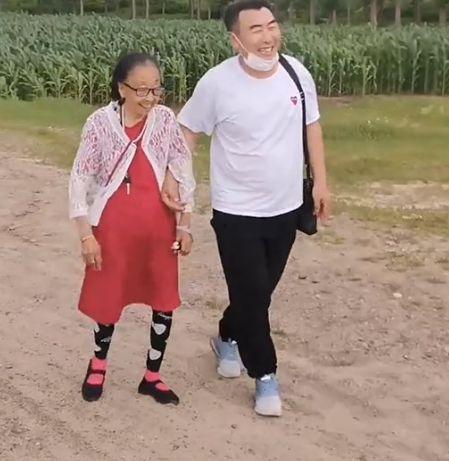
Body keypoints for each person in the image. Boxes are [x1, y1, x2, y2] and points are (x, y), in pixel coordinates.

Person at [165, 0, 330, 416]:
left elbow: (311, 126)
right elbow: (187, 133)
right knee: (254, 296)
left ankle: (227, 336)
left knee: (257, 292)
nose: (267, 37)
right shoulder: (217, 83)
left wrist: (322, 182)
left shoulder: (296, 73)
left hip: (286, 206)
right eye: (256, 29)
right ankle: (266, 376)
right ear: (236, 39)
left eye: (272, 26)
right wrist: (173, 178)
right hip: (236, 211)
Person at [69, 52, 195, 405]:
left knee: (163, 299)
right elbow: (80, 178)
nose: (150, 97)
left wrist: (185, 225)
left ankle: (152, 375)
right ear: (121, 88)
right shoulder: (99, 124)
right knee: (108, 297)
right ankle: (98, 365)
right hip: (113, 229)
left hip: (158, 227)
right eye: (141, 90)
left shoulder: (165, 119)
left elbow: (182, 165)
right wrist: (86, 235)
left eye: (156, 89)